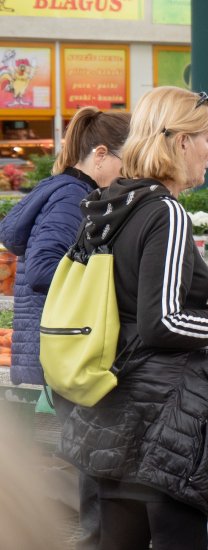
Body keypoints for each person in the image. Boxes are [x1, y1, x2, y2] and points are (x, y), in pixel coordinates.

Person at [58, 86, 208, 550]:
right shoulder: (165, 211)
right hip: (163, 421)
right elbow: (161, 321)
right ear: (180, 142)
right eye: (205, 137)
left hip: (111, 409)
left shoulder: (112, 205)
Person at [0, 106, 130, 550]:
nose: (124, 174)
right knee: (93, 464)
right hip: (66, 349)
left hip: (60, 348)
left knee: (88, 460)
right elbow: (39, 270)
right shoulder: (72, 197)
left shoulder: (67, 192)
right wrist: (106, 278)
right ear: (99, 155)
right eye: (122, 162)